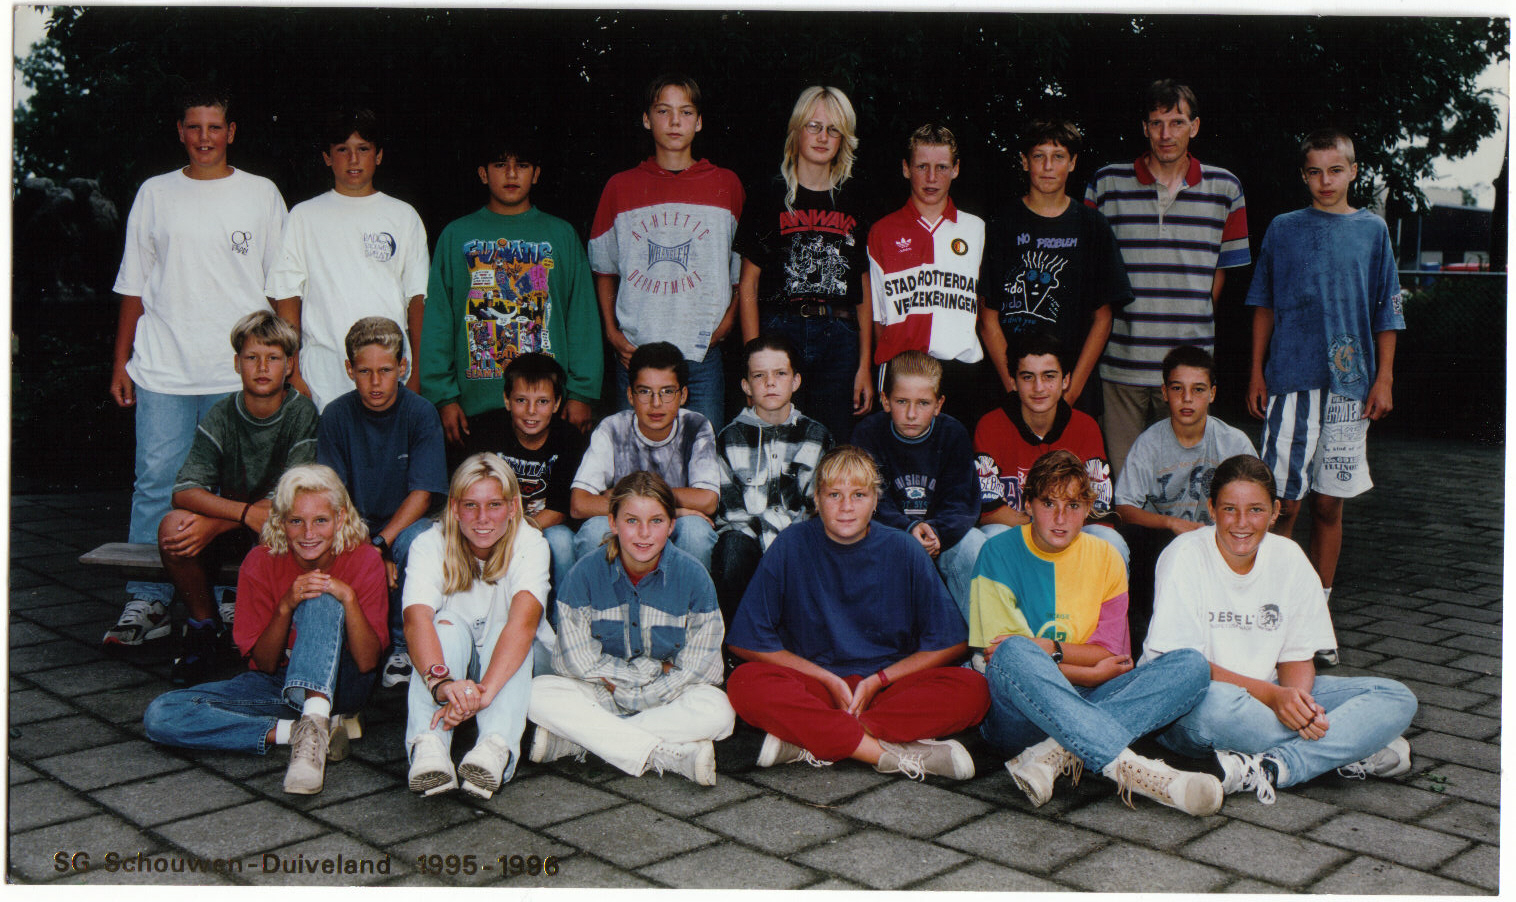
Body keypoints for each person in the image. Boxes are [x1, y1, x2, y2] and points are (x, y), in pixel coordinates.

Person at [105, 88, 287, 650]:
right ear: (179, 131)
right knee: (159, 483)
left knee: (240, 489)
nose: (204, 137)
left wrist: (285, 362)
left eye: (215, 126)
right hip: (164, 368)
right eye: (194, 127)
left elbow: (282, 288)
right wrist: (122, 362)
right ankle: (149, 599)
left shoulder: (261, 193)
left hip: (238, 373)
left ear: (231, 131)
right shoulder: (155, 193)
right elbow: (133, 284)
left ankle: (235, 595)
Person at [1142, 454, 1417, 804]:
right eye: (1230, 509)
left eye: (1256, 510)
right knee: (1217, 708)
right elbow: (1183, 669)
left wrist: (1297, 703)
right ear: (1211, 509)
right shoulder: (1184, 555)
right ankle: (1348, 747)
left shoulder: (1289, 556)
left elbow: (1296, 657)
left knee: (1395, 697)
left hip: (1269, 697)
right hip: (1195, 701)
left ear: (1274, 512)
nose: (1242, 523)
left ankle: (1276, 766)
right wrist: (1276, 700)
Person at [971, 450, 1222, 816]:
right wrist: (1087, 670)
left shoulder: (1106, 556)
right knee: (1013, 654)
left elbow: (1110, 658)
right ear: (1027, 504)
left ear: (1088, 507)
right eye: (1048, 503)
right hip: (1020, 717)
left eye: (1073, 505)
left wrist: (1052, 649)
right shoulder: (995, 552)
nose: (1060, 518)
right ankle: (1142, 773)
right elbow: (1006, 663)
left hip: (1093, 695)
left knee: (1192, 666)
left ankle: (1054, 755)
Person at [726, 446, 989, 782]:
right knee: (745, 683)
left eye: (859, 494)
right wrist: (827, 679)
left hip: (886, 690)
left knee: (973, 688)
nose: (846, 507)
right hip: (816, 687)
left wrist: (879, 680)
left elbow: (951, 643)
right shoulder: (792, 545)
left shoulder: (903, 548)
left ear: (876, 500)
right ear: (817, 500)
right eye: (834, 494)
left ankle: (811, 739)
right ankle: (883, 753)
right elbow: (746, 641)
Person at [1245, 128, 1406, 668]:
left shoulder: (1373, 230)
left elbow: (1387, 309)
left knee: (1328, 504)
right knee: (1282, 504)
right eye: (1314, 171)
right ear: (1303, 176)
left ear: (1353, 171)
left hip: (1350, 387)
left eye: (1334, 170)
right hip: (1290, 379)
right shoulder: (1284, 229)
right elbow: (1262, 303)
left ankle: (1317, 618)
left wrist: (1383, 378)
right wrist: (1256, 372)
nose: (1324, 181)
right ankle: (1269, 611)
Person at [143, 464, 387, 796]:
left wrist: (347, 598)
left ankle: (312, 739)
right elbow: (265, 663)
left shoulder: (363, 559)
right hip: (281, 683)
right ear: (281, 522)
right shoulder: (260, 561)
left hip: (342, 683)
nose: (308, 533)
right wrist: (285, 605)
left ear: (340, 519)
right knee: (161, 715)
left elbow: (368, 662)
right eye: (296, 521)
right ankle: (300, 733)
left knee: (321, 598)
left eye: (321, 521)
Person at [1084, 79, 1249, 481]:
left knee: (1183, 486)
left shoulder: (1225, 189)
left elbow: (1221, 274)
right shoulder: (1106, 185)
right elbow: (1090, 272)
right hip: (1121, 367)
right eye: (1156, 123)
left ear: (1194, 126)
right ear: (1144, 128)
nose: (1165, 134)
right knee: (1124, 488)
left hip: (1187, 375)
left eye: (1176, 122)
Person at [528, 471, 735, 786]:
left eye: (655, 521)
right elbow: (572, 661)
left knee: (719, 711)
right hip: (602, 692)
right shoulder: (584, 574)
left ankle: (583, 742)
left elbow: (704, 669)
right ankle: (664, 753)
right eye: (631, 521)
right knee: (535, 694)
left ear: (671, 525)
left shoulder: (693, 577)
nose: (643, 534)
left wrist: (637, 692)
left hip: (666, 696)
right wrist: (649, 674)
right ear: (612, 523)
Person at [157, 311, 318, 686]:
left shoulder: (301, 412)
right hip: (240, 524)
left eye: (273, 358)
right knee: (172, 528)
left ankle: (273, 640)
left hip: (276, 529)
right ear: (236, 363)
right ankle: (204, 626)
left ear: (290, 364)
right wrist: (240, 514)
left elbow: (289, 497)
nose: (262, 367)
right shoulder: (223, 412)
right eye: (251, 357)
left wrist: (229, 518)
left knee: (283, 525)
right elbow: (184, 490)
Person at [421, 130, 601, 448]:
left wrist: (582, 392)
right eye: (501, 164)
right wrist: (443, 396)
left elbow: (582, 319)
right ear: (482, 173)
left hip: (547, 406)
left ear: (537, 174)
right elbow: (438, 322)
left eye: (523, 165)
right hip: (473, 407)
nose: (512, 174)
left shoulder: (561, 235)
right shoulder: (456, 235)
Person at [589, 73, 744, 428]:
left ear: (699, 121)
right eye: (663, 111)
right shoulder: (620, 187)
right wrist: (613, 332)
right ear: (646, 119)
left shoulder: (727, 185)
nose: (675, 122)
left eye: (686, 112)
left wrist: (728, 321)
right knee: (636, 469)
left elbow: (742, 271)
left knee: (702, 461)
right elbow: (604, 269)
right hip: (637, 354)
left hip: (701, 353)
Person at [403, 453, 554, 798]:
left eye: (494, 505)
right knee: (443, 623)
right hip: (455, 665)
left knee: (507, 627)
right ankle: (429, 745)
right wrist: (440, 683)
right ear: (454, 508)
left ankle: (494, 746)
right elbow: (415, 620)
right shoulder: (428, 543)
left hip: (519, 660)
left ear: (514, 506)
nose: (482, 518)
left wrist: (482, 693)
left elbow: (523, 624)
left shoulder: (530, 542)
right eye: (471, 505)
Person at [736, 85, 873, 442]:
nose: (823, 137)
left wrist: (864, 365)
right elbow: (748, 284)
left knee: (834, 443)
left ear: (844, 139)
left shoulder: (855, 198)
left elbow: (862, 287)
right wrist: (754, 360)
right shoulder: (769, 195)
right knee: (776, 440)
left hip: (839, 335)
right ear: (797, 129)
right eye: (814, 126)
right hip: (781, 331)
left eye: (833, 129)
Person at [316, 316, 448, 687]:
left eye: (386, 370)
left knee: (415, 544)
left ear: (403, 368)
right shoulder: (336, 415)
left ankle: (403, 646)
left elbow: (422, 494)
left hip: (406, 522)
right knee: (324, 537)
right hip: (354, 522)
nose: (376, 382)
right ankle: (348, 643)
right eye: (365, 371)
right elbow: (332, 495)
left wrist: (381, 544)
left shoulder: (420, 413)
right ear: (349, 370)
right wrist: (367, 544)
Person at [268, 108, 429, 411]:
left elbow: (417, 300)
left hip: (388, 376)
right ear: (327, 157)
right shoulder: (304, 216)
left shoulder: (403, 216)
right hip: (321, 378)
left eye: (363, 149)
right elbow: (288, 296)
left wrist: (417, 373)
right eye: (342, 150)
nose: (353, 160)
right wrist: (294, 372)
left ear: (378, 155)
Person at [980, 119, 1132, 417]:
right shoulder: (1000, 225)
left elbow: (1103, 319)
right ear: (1025, 161)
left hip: (1072, 392)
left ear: (1073, 163)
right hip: (1010, 390)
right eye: (1039, 156)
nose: (1048, 166)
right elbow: (987, 318)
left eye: (1058, 156)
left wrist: (1070, 393)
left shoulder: (1093, 227)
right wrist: (1014, 389)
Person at [1113, 344, 1257, 649]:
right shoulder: (1150, 442)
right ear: (1165, 393)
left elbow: (1259, 503)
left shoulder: (1233, 441)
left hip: (1221, 542)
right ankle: (1149, 637)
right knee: (1139, 538)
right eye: (1178, 389)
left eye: (1198, 389)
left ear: (1213, 394)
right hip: (1165, 545)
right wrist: (1171, 523)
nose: (1187, 399)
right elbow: (1124, 508)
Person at [867, 123, 989, 427]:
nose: (932, 178)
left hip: (960, 369)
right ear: (906, 168)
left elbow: (985, 308)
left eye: (942, 167)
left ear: (956, 169)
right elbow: (878, 318)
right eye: (922, 166)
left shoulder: (976, 229)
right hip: (903, 369)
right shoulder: (883, 231)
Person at [973, 331, 1127, 565]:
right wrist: (1043, 530)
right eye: (1027, 377)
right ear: (1013, 381)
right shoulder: (991, 425)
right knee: (988, 538)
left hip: (1072, 534)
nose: (1039, 387)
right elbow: (988, 511)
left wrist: (1057, 532)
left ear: (1065, 380)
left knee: (1110, 541)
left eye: (1049, 376)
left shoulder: (1086, 427)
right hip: (1017, 533)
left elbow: (1099, 511)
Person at [712, 334, 833, 627]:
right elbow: (730, 512)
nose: (770, 383)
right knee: (731, 550)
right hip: (750, 539)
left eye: (780, 374)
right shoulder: (728, 438)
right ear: (746, 386)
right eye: (759, 375)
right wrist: (771, 544)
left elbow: (822, 504)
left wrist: (789, 543)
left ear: (795, 381)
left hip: (803, 540)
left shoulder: (817, 436)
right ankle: (736, 643)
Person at [851, 351, 982, 620]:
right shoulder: (868, 433)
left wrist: (936, 531)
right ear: (886, 401)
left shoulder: (953, 433)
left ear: (938, 404)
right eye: (902, 401)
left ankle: (978, 646)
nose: (912, 414)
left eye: (923, 403)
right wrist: (907, 528)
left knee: (975, 544)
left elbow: (962, 501)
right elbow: (867, 496)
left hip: (938, 538)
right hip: (886, 536)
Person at [570, 341, 720, 569]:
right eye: (644, 392)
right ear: (630, 395)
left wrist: (625, 497)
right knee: (593, 531)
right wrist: (674, 508)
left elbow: (708, 500)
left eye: (667, 392)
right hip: (631, 526)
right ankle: (601, 604)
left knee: (695, 531)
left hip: (669, 526)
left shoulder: (696, 425)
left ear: (683, 395)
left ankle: (686, 604)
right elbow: (579, 504)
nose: (656, 403)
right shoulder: (612, 428)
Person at [461, 353, 589, 617]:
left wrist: (515, 533)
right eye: (522, 401)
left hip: (544, 524)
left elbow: (559, 509)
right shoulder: (486, 430)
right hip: (492, 522)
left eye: (542, 402)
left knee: (562, 541)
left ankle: (564, 622)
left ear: (556, 404)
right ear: (507, 400)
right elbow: (467, 492)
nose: (531, 411)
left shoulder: (569, 438)